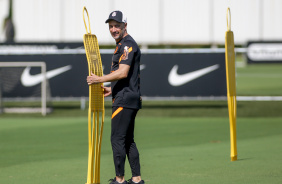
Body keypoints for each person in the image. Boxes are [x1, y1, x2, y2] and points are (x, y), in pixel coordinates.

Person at [86, 10, 144, 184]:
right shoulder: (123, 44)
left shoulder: (127, 44)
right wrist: (112, 89)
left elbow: (123, 72)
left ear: (125, 26)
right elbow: (127, 75)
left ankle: (119, 180)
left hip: (125, 100)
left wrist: (99, 79)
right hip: (128, 97)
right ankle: (136, 180)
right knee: (127, 140)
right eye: (111, 26)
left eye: (117, 26)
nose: (113, 29)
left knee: (117, 139)